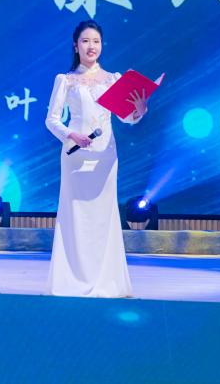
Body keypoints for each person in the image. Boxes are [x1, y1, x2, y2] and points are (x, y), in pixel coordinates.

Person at [45, 19, 148, 298]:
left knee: (104, 216)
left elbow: (126, 117)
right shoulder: (66, 80)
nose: (91, 46)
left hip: (105, 155)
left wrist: (139, 111)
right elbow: (52, 120)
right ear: (75, 46)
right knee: (76, 215)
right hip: (76, 155)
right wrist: (72, 135)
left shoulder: (113, 79)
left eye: (96, 41)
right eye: (86, 41)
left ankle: (106, 281)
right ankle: (73, 280)